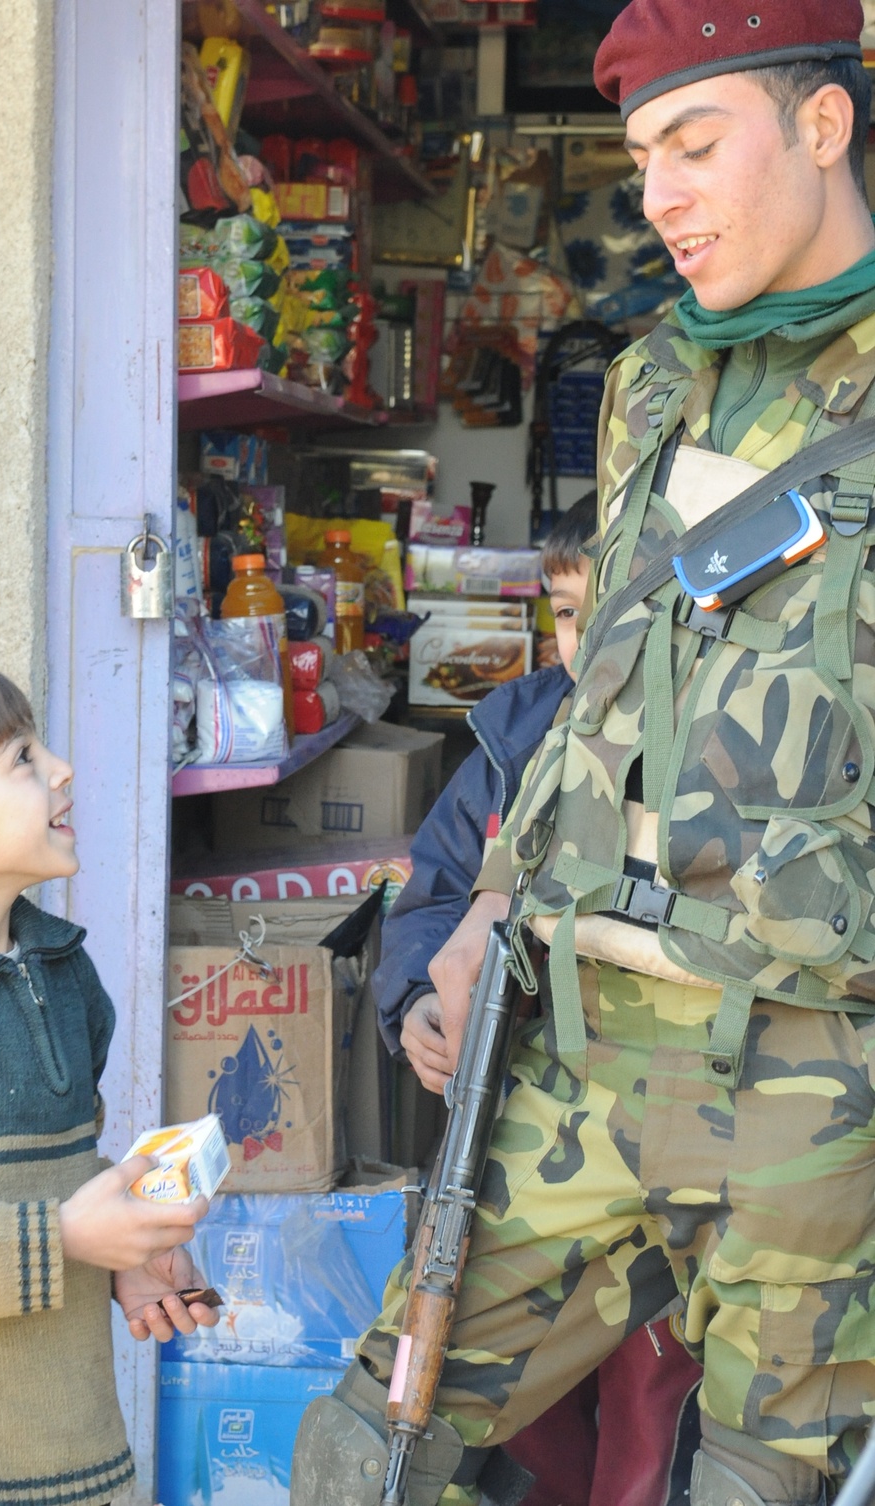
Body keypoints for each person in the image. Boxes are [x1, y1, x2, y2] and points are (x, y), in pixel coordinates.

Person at [291, 4, 875, 1504]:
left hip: (816, 1073)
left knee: (750, 1487)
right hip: (581, 1043)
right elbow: (597, 693)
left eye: (696, 143)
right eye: (638, 158)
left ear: (824, 127)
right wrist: (490, 900)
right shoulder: (653, 383)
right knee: (366, 1444)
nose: (660, 196)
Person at [372, 493, 701, 1506]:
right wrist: (415, 1006)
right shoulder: (515, 739)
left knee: (654, 1399)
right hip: (514, 1132)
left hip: (679, 1135)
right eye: (565, 611)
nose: (586, 636)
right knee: (501, 1391)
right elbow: (429, 900)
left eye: (615, 607)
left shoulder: (710, 750)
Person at [0, 650, 220, 1506]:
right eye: (23, 759)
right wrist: (65, 1239)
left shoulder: (63, 974)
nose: (61, 768)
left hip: (86, 1471)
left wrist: (122, 1256)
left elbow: (52, 1182)